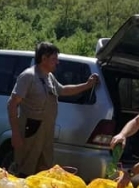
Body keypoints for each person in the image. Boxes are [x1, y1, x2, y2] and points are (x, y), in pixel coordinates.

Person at [7, 41, 99, 176]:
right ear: (43, 58)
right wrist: (15, 134)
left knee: (44, 169)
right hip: (30, 130)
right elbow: (12, 104)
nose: (57, 63)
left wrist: (87, 85)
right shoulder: (28, 76)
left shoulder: (49, 77)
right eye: (54, 59)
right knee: (25, 169)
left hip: (46, 131)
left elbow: (63, 90)